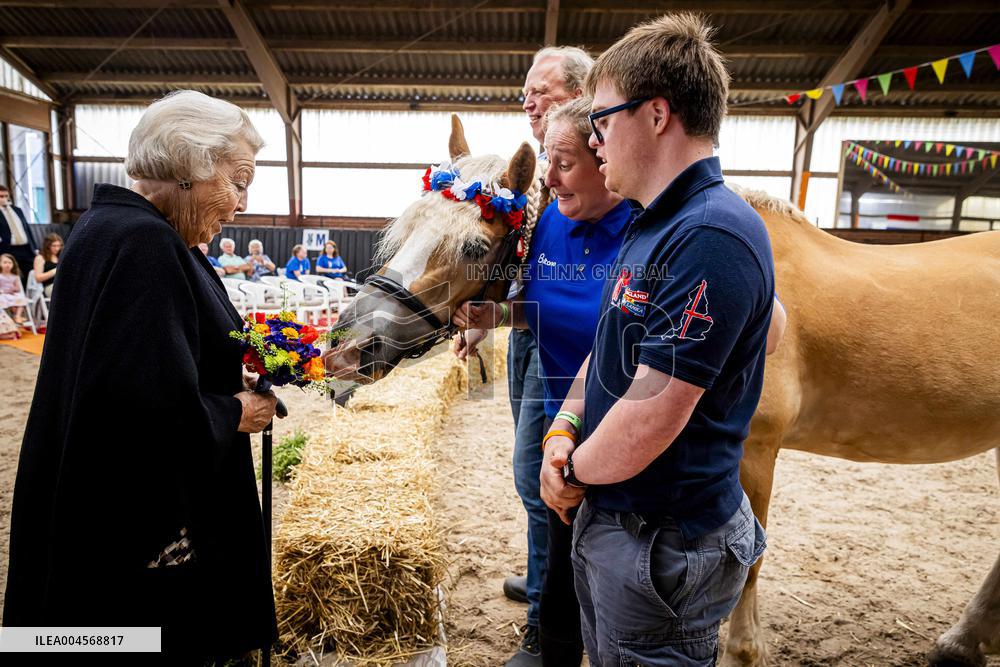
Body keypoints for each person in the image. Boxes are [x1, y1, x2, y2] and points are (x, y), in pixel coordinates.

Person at [3, 90, 279, 663]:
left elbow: (143, 355)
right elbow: (136, 405)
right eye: (238, 180)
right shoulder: (145, 243)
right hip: (142, 531)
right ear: (188, 169)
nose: (241, 203)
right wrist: (234, 412)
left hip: (87, 505)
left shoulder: (109, 228)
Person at [539, 14, 773, 665]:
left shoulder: (708, 234)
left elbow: (651, 411)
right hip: (623, 520)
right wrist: (563, 426)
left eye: (603, 121)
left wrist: (571, 471)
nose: (595, 138)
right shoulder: (653, 223)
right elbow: (609, 347)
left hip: (661, 540)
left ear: (657, 114)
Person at [454, 45, 595, 667]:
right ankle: (543, 582)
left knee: (546, 481)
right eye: (525, 93)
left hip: (572, 360)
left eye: (542, 91)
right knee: (528, 478)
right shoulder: (539, 181)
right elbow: (528, 277)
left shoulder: (597, 180)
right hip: (530, 336)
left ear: (583, 97)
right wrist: (492, 315)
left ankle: (548, 620)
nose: (528, 101)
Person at [0, 184, 37, 287]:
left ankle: (29, 298)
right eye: (1, 196)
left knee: (30, 273)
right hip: (8, 249)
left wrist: (34, 247)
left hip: (25, 248)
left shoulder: (17, 210)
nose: (4, 199)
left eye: (5, 196)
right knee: (13, 276)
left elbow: (27, 229)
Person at [0, 252, 29, 324]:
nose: (7, 265)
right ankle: (6, 317)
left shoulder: (15, 276)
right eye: (5, 262)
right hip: (3, 294)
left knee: (21, 298)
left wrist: (13, 289)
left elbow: (18, 288)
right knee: (2, 299)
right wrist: (3, 291)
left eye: (10, 263)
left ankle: (17, 316)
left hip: (12, 294)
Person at [32, 233, 62, 298]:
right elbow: (38, 278)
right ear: (47, 246)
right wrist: (55, 271)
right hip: (50, 286)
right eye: (54, 246)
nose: (57, 248)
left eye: (58, 246)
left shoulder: (61, 257)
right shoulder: (40, 258)